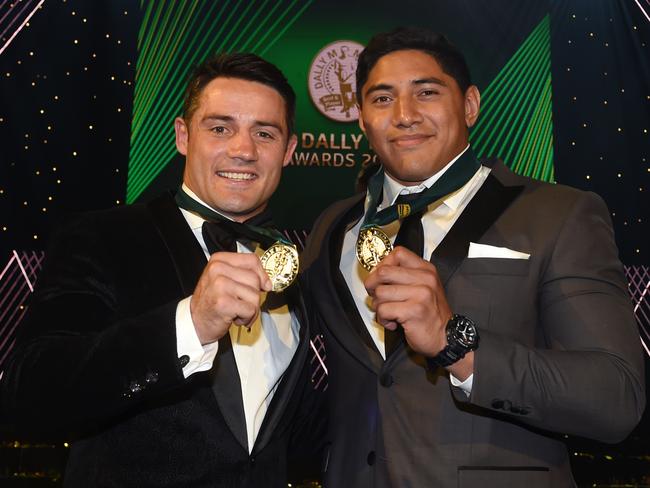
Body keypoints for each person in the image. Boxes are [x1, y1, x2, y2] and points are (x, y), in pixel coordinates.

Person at [302, 27, 645, 487]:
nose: (404, 115)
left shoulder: (559, 214)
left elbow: (616, 398)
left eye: (426, 92)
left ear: (469, 105)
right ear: (362, 119)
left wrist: (455, 343)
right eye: (382, 99)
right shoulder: (331, 228)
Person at [2, 53, 323, 487]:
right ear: (183, 136)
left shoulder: (292, 267)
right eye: (220, 128)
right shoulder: (103, 237)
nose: (243, 150)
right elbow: (31, 392)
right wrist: (190, 324)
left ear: (288, 152)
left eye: (264, 133)